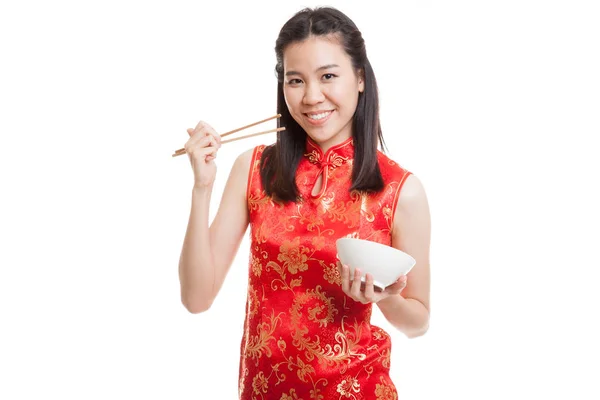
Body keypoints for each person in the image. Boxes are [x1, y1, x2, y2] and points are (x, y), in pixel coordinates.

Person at [178, 6, 431, 399]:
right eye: (296, 80)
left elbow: (419, 322)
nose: (312, 97)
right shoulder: (255, 169)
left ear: (360, 78)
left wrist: (386, 297)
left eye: (328, 76)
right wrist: (201, 187)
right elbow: (196, 299)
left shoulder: (401, 189)